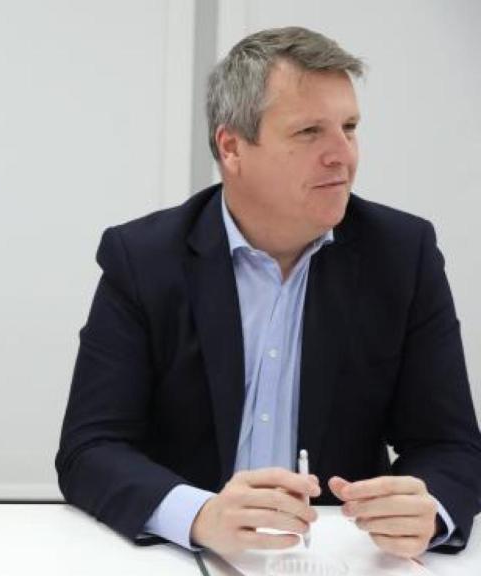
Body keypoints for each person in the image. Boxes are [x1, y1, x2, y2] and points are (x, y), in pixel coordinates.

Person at [56, 26, 481, 559]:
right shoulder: (144, 258)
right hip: (182, 557)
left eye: (349, 128)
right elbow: (89, 450)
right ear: (232, 147)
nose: (341, 155)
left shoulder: (401, 254)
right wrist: (199, 514)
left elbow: (451, 446)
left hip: (339, 557)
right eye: (309, 132)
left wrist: (430, 510)